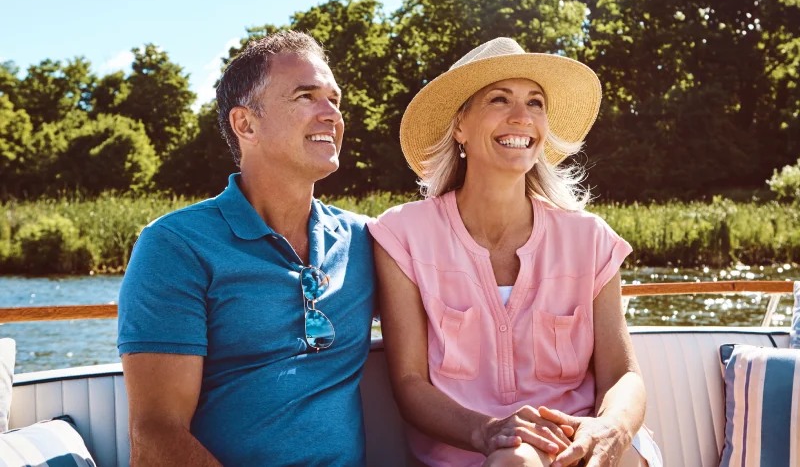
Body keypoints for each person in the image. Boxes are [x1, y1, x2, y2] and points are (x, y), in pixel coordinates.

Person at [368, 38, 663, 467]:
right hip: (473, 455)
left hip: (587, 445)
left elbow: (623, 375)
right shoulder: (402, 234)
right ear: (460, 126)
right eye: (499, 99)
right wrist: (489, 432)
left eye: (535, 102)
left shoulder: (591, 239)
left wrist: (612, 426)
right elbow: (410, 383)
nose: (522, 117)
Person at [117, 31, 375, 466]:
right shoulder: (175, 246)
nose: (332, 114)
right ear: (246, 124)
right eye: (306, 96)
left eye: (335, 99)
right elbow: (156, 434)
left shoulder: (368, 241)